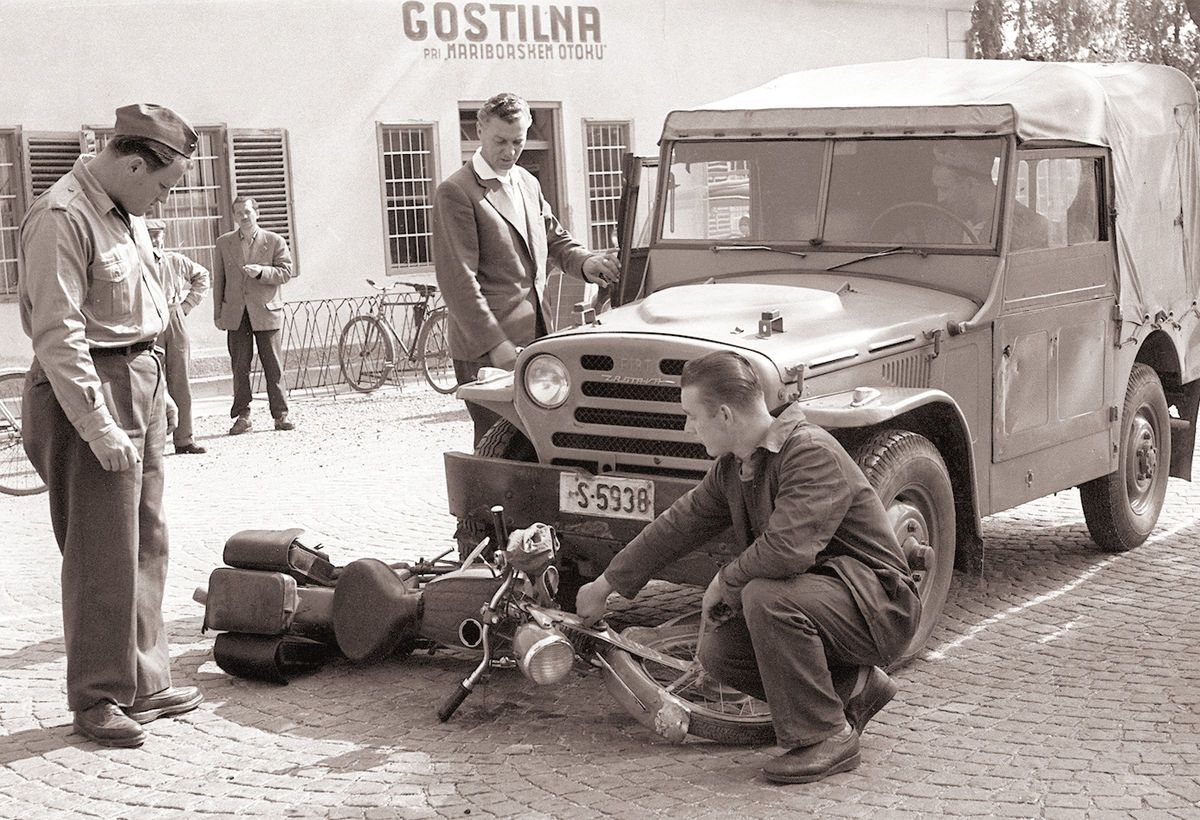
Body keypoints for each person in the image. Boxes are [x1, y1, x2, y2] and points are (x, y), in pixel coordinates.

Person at [575, 351, 921, 784]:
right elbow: (677, 526)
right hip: (832, 599)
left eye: (691, 416)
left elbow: (788, 550)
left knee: (763, 595)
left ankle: (829, 736)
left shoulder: (809, 451)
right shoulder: (736, 466)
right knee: (720, 651)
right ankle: (853, 688)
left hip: (881, 607)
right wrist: (605, 584)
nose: (688, 428)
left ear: (723, 414)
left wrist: (725, 579)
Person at [18, 103, 205, 748]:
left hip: (138, 381)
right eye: (163, 184)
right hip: (87, 391)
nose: (164, 197)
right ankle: (98, 697)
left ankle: (145, 681)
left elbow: (138, 299)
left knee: (146, 541)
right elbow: (59, 335)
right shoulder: (63, 217)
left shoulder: (125, 211)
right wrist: (98, 424)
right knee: (102, 553)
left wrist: (159, 392)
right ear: (131, 163)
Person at [432, 91, 620, 445]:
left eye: (518, 142)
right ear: (479, 132)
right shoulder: (457, 192)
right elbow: (459, 283)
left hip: (536, 338)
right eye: (500, 141)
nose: (509, 151)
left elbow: (554, 239)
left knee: (539, 443)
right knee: (498, 445)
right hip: (486, 347)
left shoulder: (526, 183)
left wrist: (586, 261)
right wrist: (496, 344)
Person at [212, 196, 296, 434]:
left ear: (257, 213)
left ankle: (281, 415)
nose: (243, 217)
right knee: (240, 367)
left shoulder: (274, 240)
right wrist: (218, 313)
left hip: (266, 311)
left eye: (247, 212)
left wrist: (262, 272)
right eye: (238, 213)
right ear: (234, 216)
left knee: (273, 365)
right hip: (236, 314)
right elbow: (220, 280)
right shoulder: (224, 243)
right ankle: (242, 416)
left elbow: (286, 272)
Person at [147, 219, 209, 455]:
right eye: (150, 235)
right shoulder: (137, 261)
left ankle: (184, 439)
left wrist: (186, 305)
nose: (155, 240)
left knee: (180, 379)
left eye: (158, 235)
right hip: (150, 319)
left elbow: (202, 275)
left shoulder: (175, 260)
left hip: (174, 317)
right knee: (151, 379)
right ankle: (152, 443)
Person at [928, 141, 1050, 250]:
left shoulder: (1028, 226)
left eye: (944, 189)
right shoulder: (947, 222)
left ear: (970, 184)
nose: (940, 199)